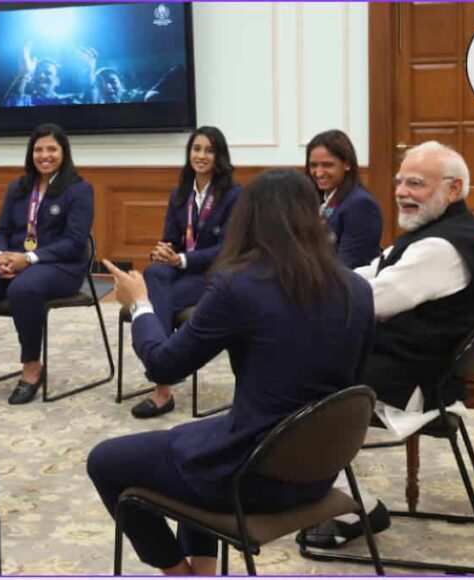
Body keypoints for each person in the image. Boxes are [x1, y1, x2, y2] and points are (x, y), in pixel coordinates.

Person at [88, 169, 375, 576]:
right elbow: (352, 385)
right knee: (186, 439)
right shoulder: (358, 290)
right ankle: (205, 567)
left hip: (253, 474)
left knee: (104, 461)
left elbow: (163, 363)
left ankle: (178, 573)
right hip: (320, 468)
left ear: (249, 220)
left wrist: (140, 305)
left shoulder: (240, 286)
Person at [298, 141, 474, 549]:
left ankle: (357, 508)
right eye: (400, 181)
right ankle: (317, 490)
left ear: (453, 190)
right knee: (299, 366)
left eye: (417, 183)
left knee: (290, 388)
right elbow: (373, 270)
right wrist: (317, 281)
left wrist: (302, 298)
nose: (402, 191)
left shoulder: (441, 247)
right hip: (406, 361)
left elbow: (372, 301)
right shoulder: (433, 231)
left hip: (413, 380)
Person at [0, 123, 94, 406]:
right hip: (12, 262)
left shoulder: (79, 189)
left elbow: (75, 242)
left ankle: (31, 370)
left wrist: (27, 259)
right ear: (31, 154)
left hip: (60, 266)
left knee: (23, 289)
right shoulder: (18, 187)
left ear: (63, 152)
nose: (45, 155)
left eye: (52, 149)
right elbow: (0, 230)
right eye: (38, 149)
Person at [130, 126, 243, 419]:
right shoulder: (180, 193)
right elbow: (171, 237)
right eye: (196, 149)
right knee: (154, 273)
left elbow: (227, 248)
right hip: (180, 270)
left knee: (153, 300)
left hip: (213, 274)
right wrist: (164, 251)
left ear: (219, 156)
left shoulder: (234, 195)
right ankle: (165, 363)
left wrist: (180, 260)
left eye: (208, 150)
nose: (201, 156)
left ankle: (161, 385)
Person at [305, 129, 383, 268]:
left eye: (327, 165)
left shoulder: (360, 205)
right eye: (313, 165)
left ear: (347, 164)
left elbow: (350, 264)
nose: (318, 172)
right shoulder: (323, 198)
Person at [3, 43, 79, 106]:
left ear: (57, 81)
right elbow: (12, 105)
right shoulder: (26, 101)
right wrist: (25, 73)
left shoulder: (69, 101)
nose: (41, 76)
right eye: (38, 73)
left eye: (48, 73)